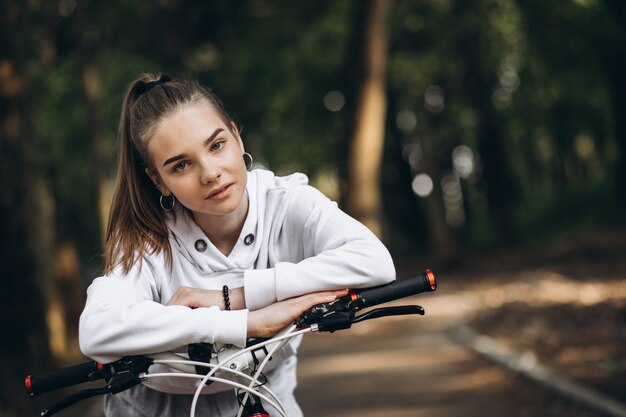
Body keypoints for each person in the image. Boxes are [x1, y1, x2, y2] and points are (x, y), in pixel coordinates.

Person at [79, 73, 395, 417]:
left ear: (236, 136)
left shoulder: (285, 201)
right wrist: (247, 323)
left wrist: (237, 297)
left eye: (216, 145)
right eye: (181, 165)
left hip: (266, 400)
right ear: (158, 180)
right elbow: (97, 329)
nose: (210, 172)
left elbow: (375, 261)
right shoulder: (146, 237)